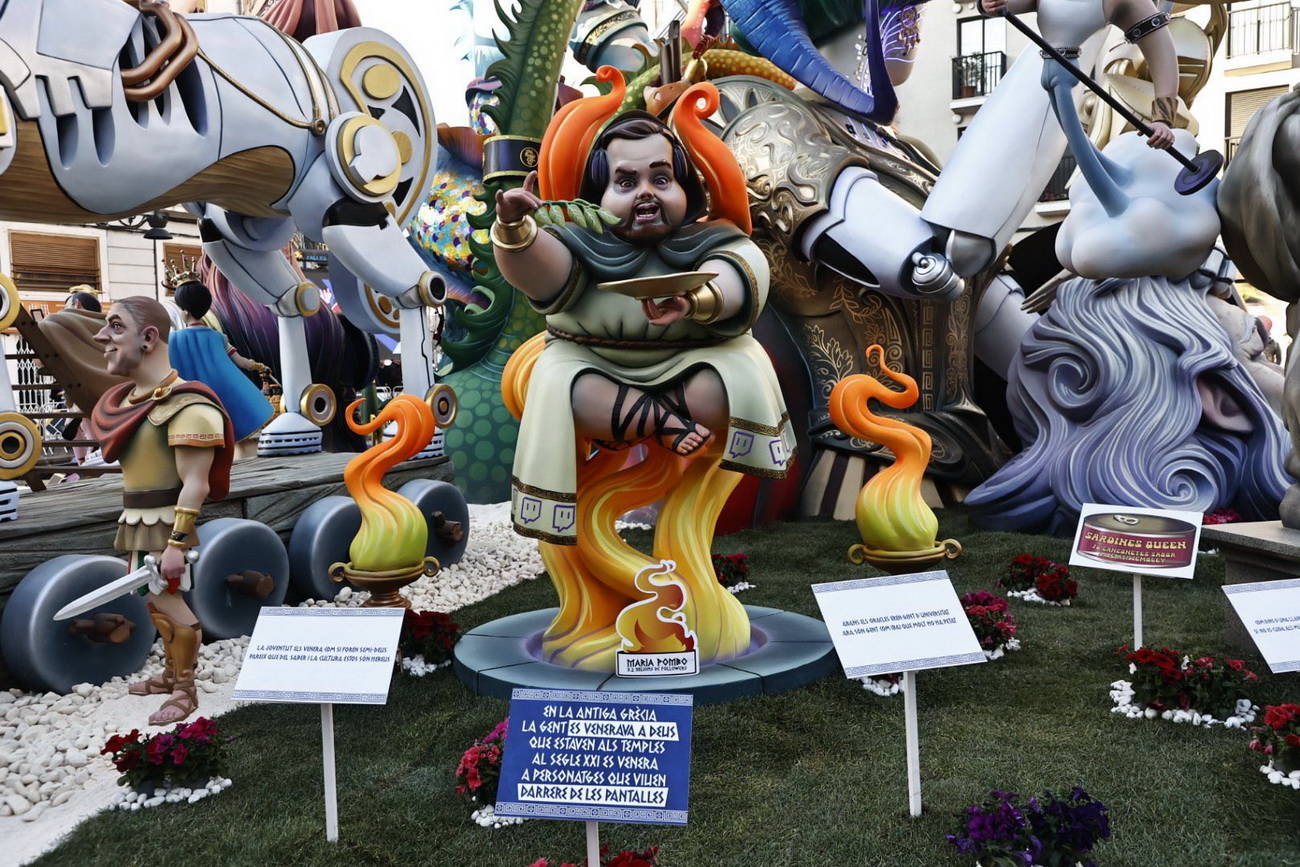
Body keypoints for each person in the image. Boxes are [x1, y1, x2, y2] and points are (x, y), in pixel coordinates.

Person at [494, 109, 795, 543]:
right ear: (598, 195)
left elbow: (742, 269)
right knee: (564, 387)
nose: (646, 193)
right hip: (597, 364)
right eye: (626, 183)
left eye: (661, 178)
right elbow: (541, 275)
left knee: (736, 376)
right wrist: (514, 229)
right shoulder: (578, 244)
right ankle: (665, 421)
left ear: (684, 186)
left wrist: (694, 300)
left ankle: (650, 415)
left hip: (690, 362)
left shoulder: (712, 240)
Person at [88, 297, 233, 725]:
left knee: (171, 605)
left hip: (167, 524)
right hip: (137, 522)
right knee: (154, 603)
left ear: (149, 337)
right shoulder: (130, 403)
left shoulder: (190, 408)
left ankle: (185, 688)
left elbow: (196, 483)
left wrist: (176, 544)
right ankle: (171, 674)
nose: (102, 336)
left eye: (116, 326)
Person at [167, 272, 274, 444]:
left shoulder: (172, 340)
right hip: (222, 396)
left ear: (184, 312)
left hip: (190, 402)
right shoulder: (219, 337)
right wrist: (258, 366)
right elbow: (241, 362)